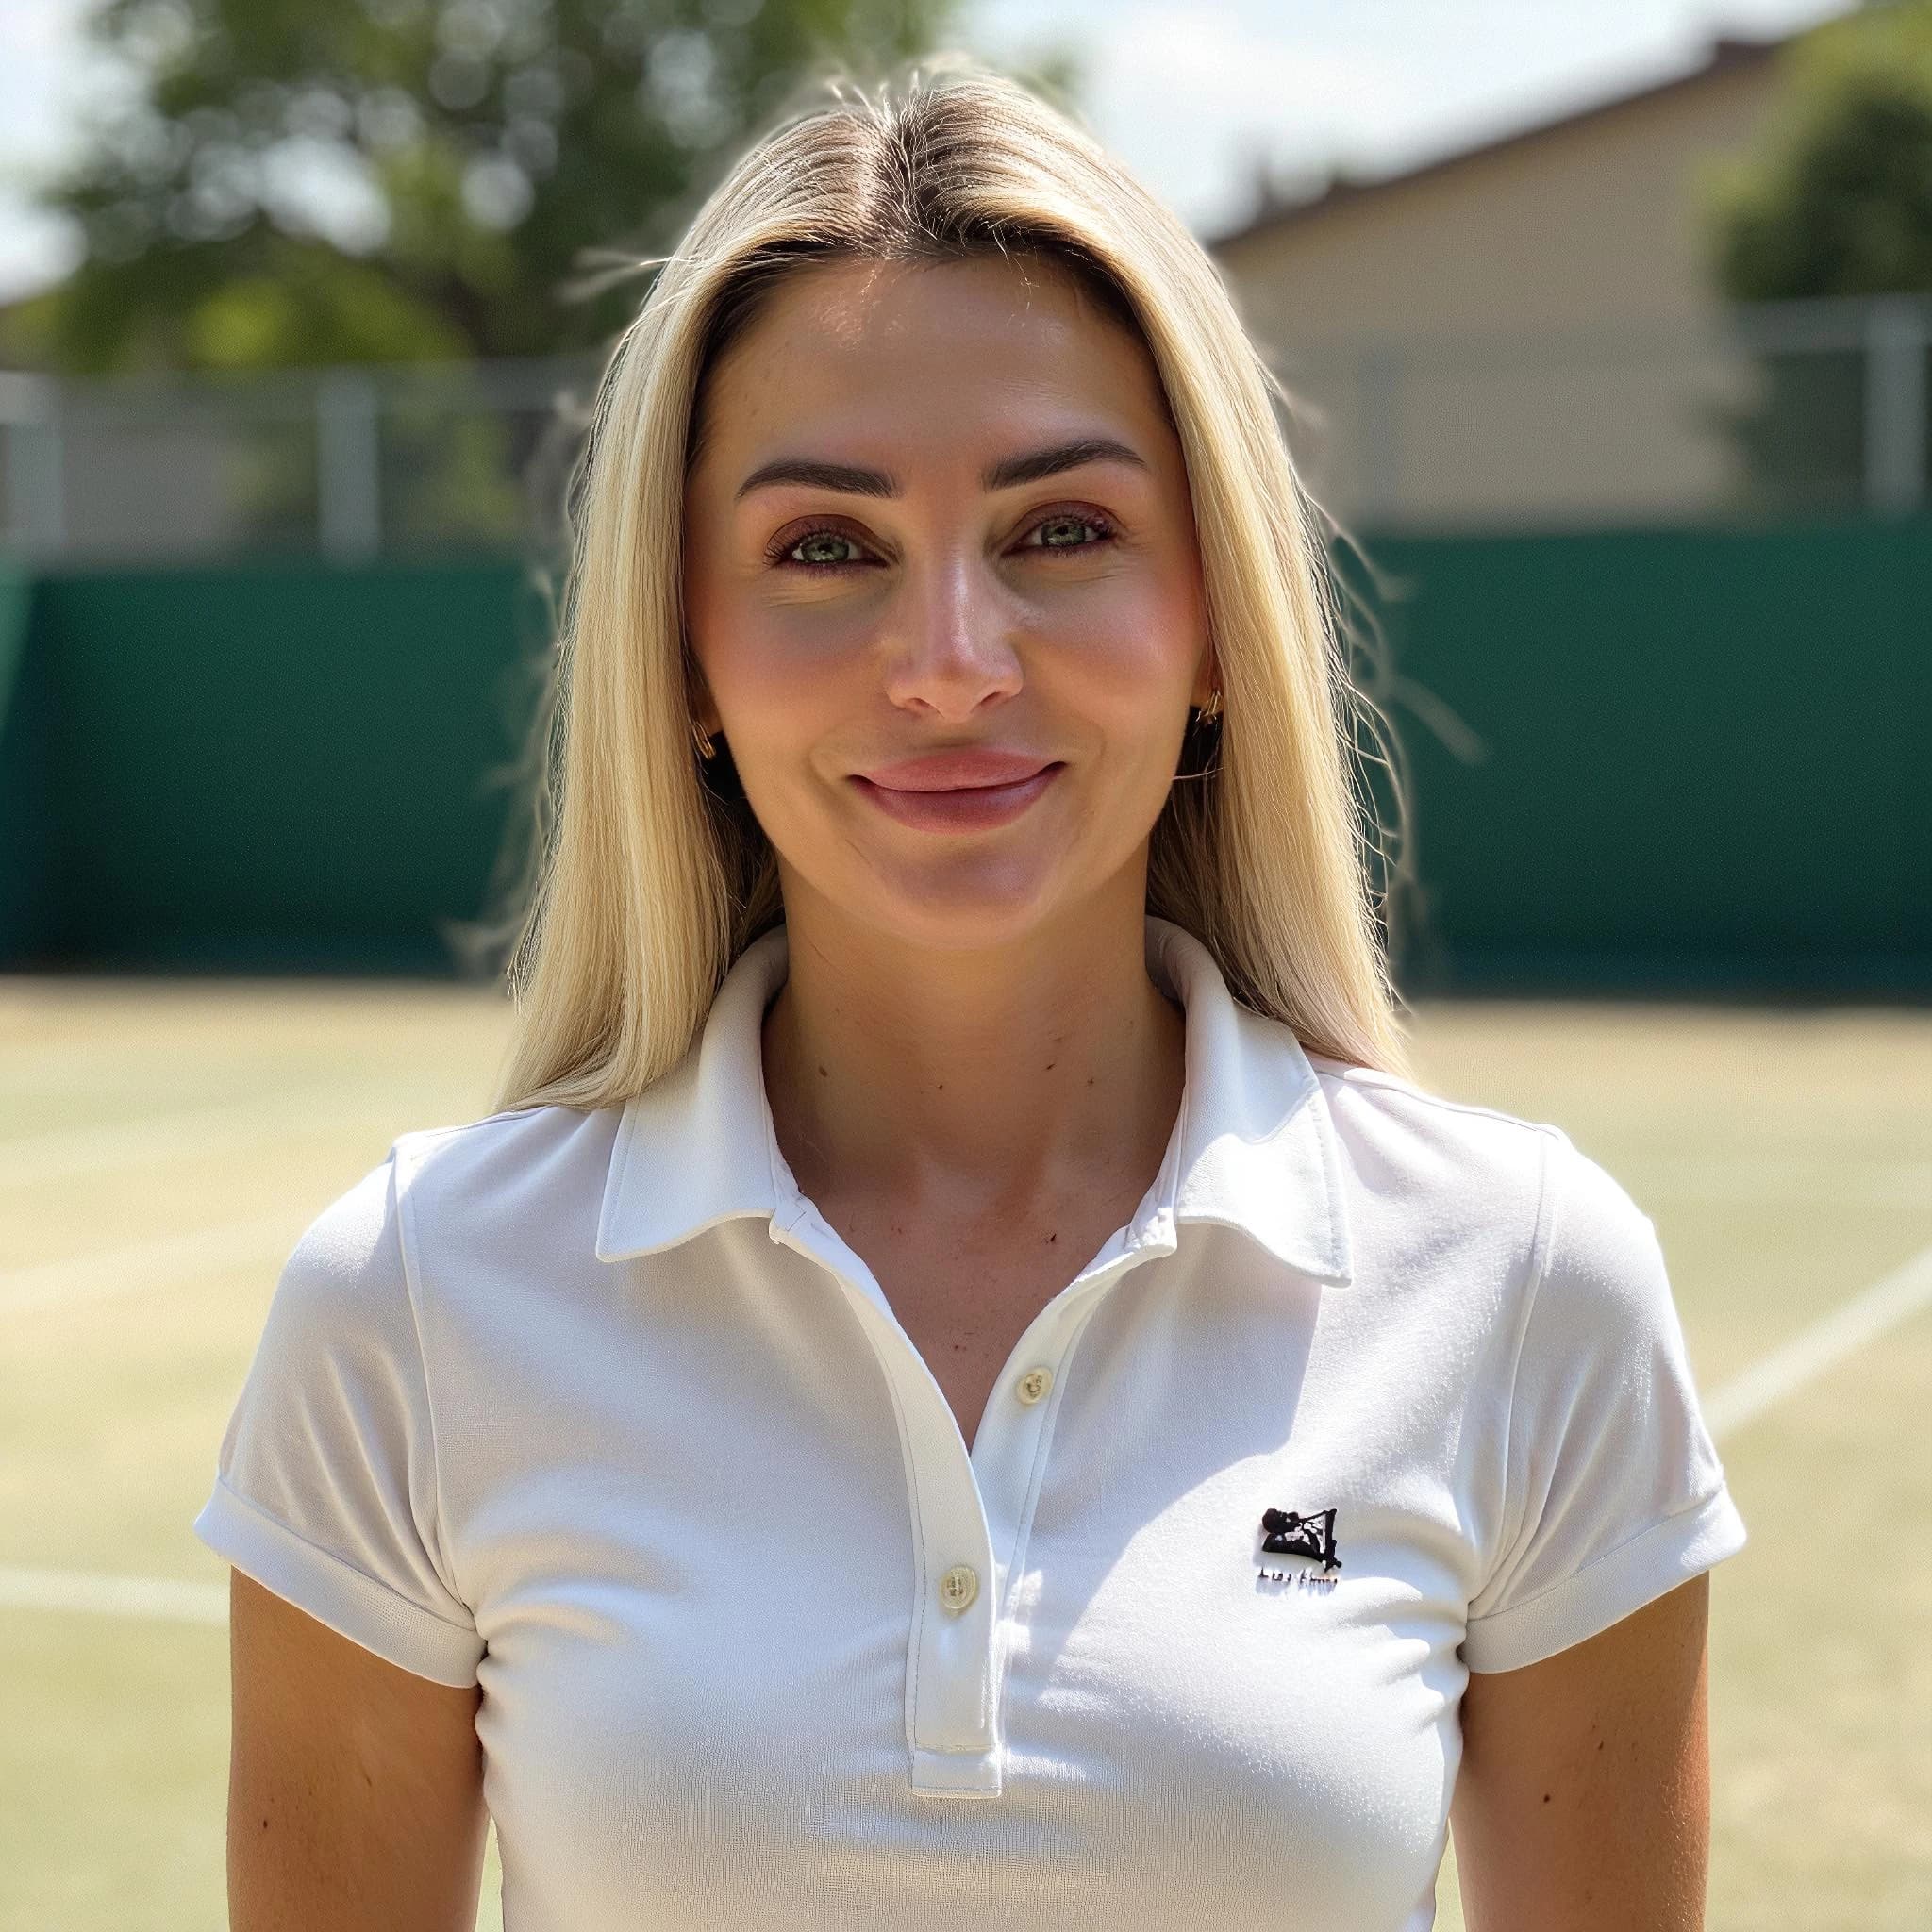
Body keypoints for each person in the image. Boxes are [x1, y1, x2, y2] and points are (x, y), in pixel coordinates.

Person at [193, 53, 1748, 1932]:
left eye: (1061, 531)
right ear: (686, 649)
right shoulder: (416, 1302)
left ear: (1211, 623)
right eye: (824, 548)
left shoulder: (1521, 1279)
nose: (946, 661)